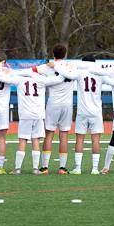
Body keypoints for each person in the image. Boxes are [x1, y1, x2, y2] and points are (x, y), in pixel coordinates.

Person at [0, 65, 64, 175]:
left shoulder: (19, 79)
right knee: (36, 140)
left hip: (25, 115)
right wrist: (63, 68)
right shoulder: (41, 79)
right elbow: (58, 79)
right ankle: (35, 168)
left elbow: (3, 78)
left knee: (23, 140)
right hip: (38, 115)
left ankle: (18, 168)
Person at [52, 56, 111, 175]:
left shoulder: (80, 72)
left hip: (82, 111)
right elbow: (113, 81)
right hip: (96, 112)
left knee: (80, 139)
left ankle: (78, 168)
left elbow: (68, 75)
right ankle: (94, 169)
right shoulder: (99, 73)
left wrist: (56, 66)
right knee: (96, 140)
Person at [37, 44, 75, 174]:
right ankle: (62, 168)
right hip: (67, 105)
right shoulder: (71, 66)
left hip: (53, 104)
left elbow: (32, 70)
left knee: (49, 135)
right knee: (63, 135)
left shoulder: (48, 67)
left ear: (53, 54)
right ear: (65, 54)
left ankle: (45, 167)